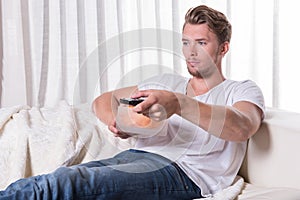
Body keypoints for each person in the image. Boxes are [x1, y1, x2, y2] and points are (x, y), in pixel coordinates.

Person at [0, 5, 264, 200]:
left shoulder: (239, 90)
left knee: (64, 185)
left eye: (201, 43)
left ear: (223, 48)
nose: (191, 52)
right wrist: (119, 122)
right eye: (186, 43)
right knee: (56, 178)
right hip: (135, 157)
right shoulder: (165, 82)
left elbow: (242, 127)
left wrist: (178, 104)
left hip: (184, 174)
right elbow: (103, 101)